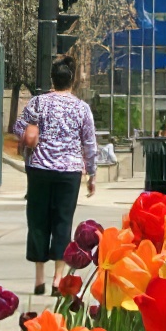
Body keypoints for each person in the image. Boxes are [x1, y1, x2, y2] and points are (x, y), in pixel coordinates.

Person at [14, 56, 97, 296]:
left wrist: (32, 133)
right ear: (71, 81)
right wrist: (91, 174)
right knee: (62, 223)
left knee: (38, 221)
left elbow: (19, 127)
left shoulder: (38, 103)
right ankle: (57, 280)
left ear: (52, 79)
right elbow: (89, 143)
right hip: (69, 172)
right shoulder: (81, 108)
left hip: (39, 169)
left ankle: (39, 279)